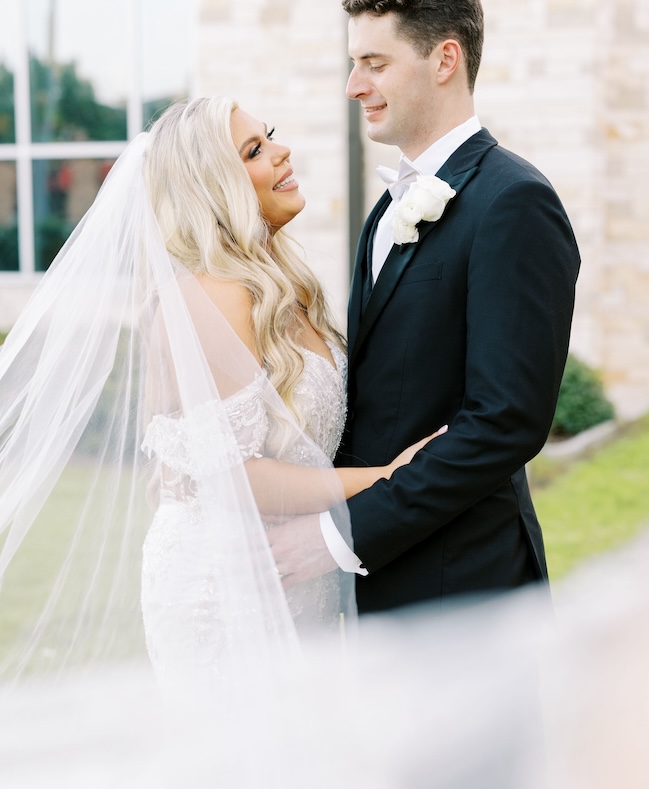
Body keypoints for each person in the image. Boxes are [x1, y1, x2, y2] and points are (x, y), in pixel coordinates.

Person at [0, 96, 437, 700]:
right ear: (214, 187)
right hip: (220, 581)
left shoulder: (286, 286)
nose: (282, 151)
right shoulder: (212, 296)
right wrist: (386, 477)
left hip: (292, 565)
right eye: (254, 151)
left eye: (270, 136)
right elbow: (231, 476)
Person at [269, 0, 581, 614]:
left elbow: (505, 422)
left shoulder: (514, 202)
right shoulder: (387, 209)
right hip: (376, 588)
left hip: (465, 589)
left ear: (445, 59)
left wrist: (338, 533)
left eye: (375, 63)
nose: (355, 85)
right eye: (354, 63)